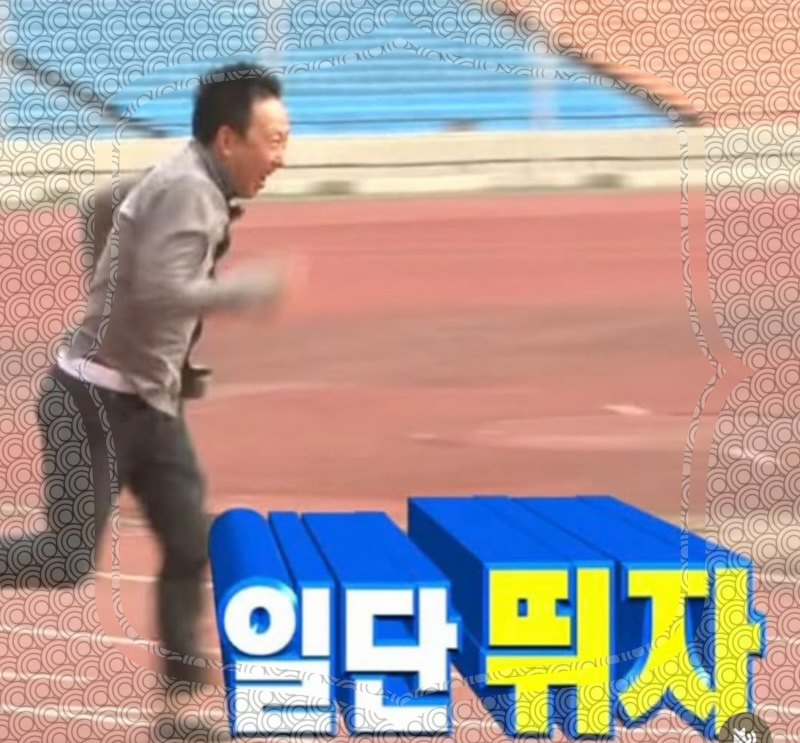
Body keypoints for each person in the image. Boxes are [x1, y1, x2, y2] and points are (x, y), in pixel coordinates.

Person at [4, 60, 291, 688]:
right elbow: (163, 290)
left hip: (151, 406)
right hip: (91, 404)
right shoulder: (191, 191)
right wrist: (245, 292)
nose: (281, 158)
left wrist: (142, 332)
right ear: (227, 139)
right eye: (272, 141)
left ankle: (180, 707)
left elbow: (102, 204)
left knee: (189, 542)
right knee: (64, 559)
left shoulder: (185, 175)